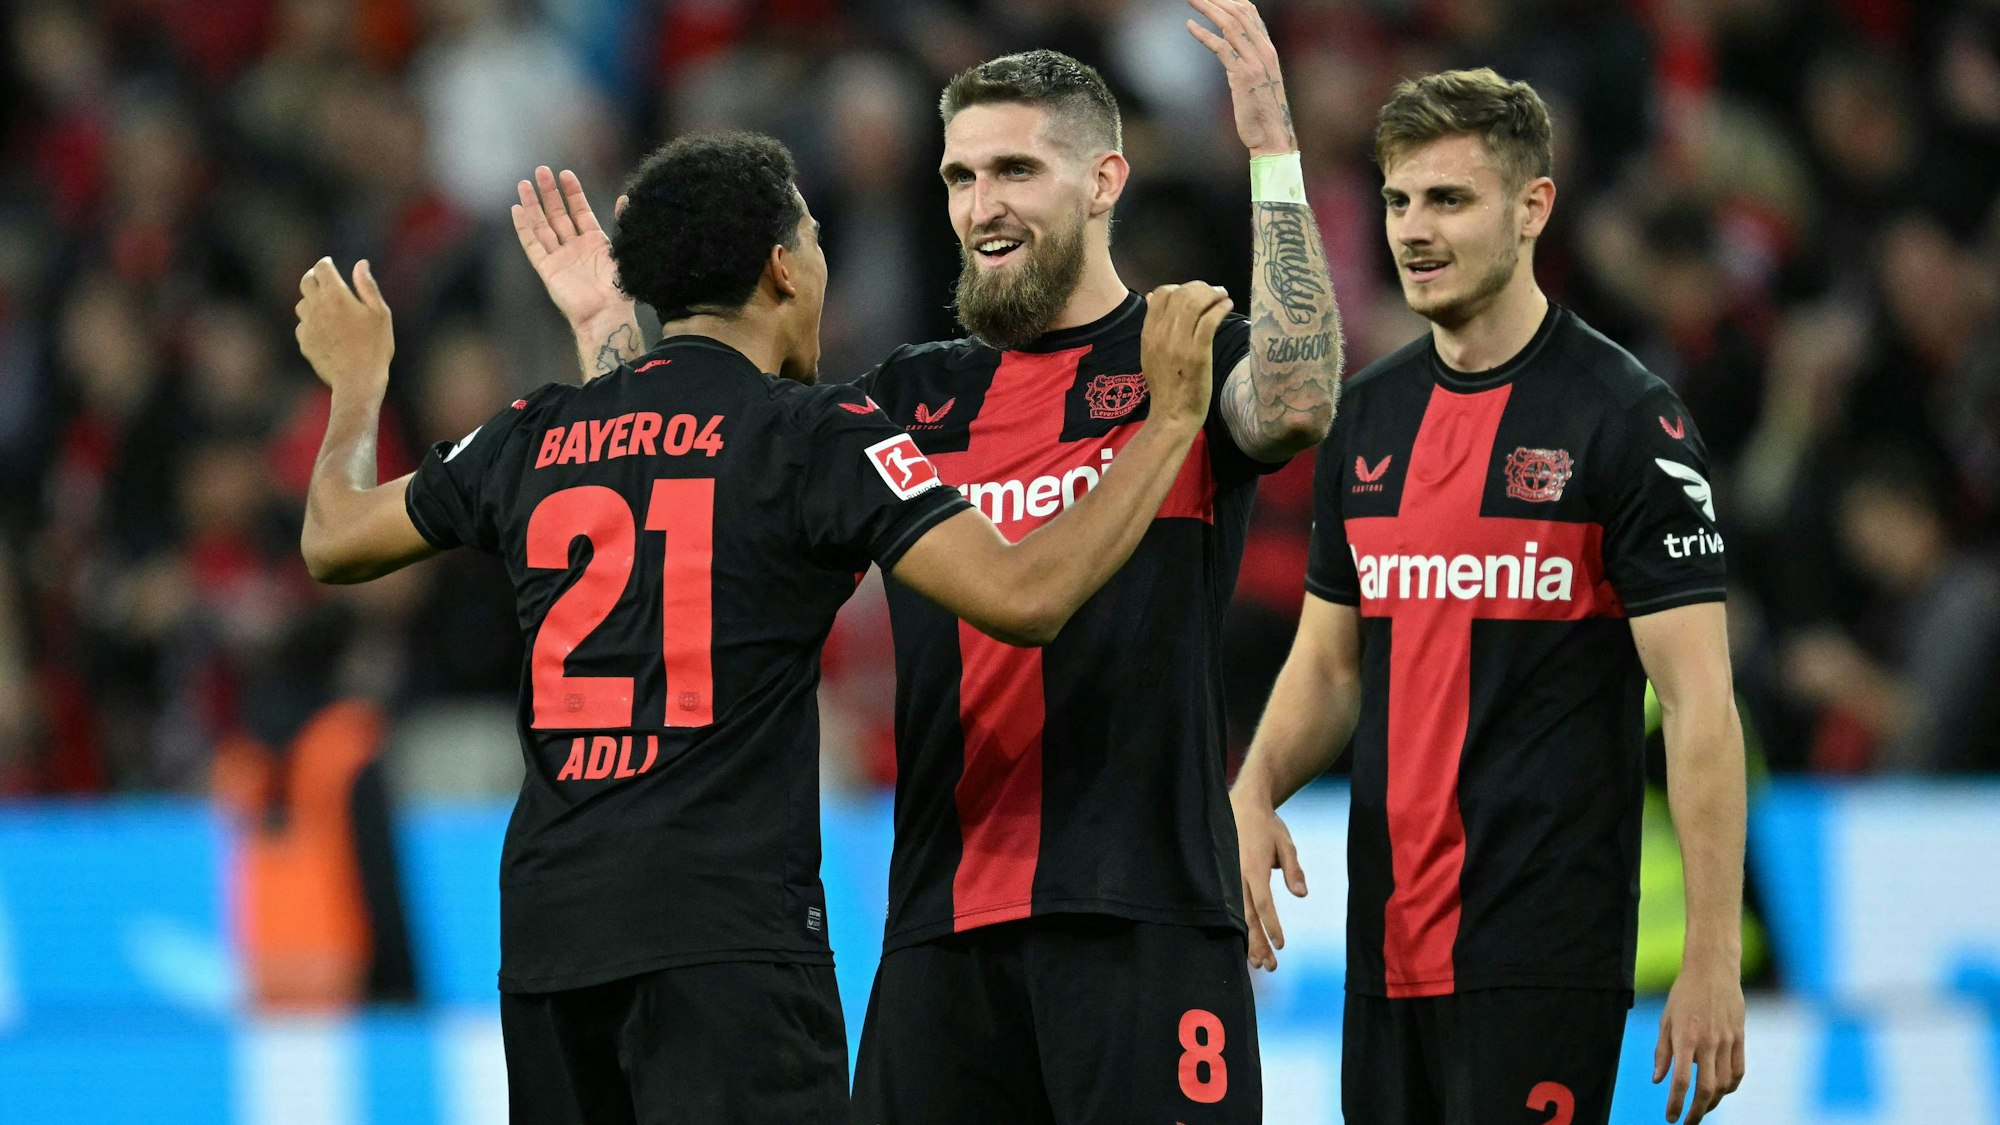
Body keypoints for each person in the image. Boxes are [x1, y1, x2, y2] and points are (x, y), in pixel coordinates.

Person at [294, 130, 1234, 1124]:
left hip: (549, 941)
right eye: (816, 242)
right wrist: (1169, 422)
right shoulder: (813, 435)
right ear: (783, 267)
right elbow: (1026, 595)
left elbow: (335, 537)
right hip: (727, 942)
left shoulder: (541, 430)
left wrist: (357, 389)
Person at [518, 7, 1342, 1119]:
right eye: (958, 177)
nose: (979, 206)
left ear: (1104, 181)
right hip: (939, 933)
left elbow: (1295, 405)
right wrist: (609, 331)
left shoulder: (1177, 355)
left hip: (1143, 914)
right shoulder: (906, 401)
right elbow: (704, 472)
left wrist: (1270, 153)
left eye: (1013, 170)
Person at [1228, 68, 1749, 1125]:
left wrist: (1709, 960)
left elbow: (1699, 705)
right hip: (1383, 951)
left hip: (1541, 951)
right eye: (1397, 201)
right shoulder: (1364, 421)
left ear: (1530, 209)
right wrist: (1252, 788)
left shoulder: (1623, 422)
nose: (1412, 230)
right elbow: (1330, 665)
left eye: (1448, 200)